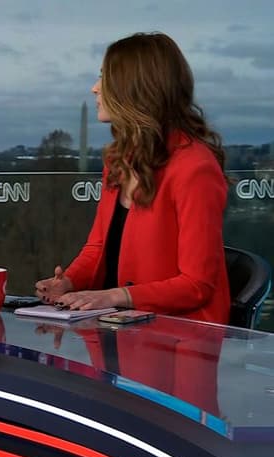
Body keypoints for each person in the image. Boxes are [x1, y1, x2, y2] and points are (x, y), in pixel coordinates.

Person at [35, 32, 230, 324]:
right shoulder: (118, 161)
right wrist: (68, 283)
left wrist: (114, 296)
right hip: (121, 328)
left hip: (180, 337)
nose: (94, 88)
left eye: (105, 78)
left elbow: (196, 284)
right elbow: (97, 247)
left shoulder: (194, 168)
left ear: (135, 89)